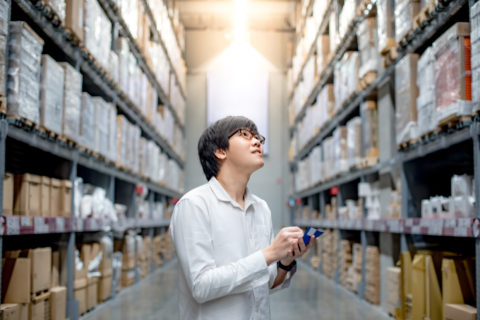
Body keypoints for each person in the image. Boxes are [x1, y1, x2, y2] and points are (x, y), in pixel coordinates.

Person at [170, 116, 316, 319]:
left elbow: (264, 284)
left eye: (258, 137)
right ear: (220, 151)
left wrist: (284, 261)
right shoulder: (194, 205)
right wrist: (269, 254)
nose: (256, 142)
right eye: (245, 135)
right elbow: (201, 286)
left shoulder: (261, 208)